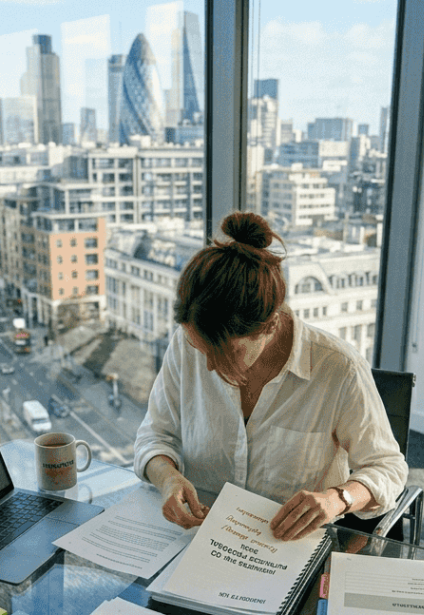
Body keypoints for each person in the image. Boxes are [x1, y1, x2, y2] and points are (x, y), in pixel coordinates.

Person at [134, 212, 407, 542]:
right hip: (196, 537)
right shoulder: (185, 345)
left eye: (223, 354)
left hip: (285, 550)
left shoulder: (339, 369)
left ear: (269, 327)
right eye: (198, 347)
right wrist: (168, 479)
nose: (206, 367)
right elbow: (154, 435)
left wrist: (338, 499)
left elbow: (389, 469)